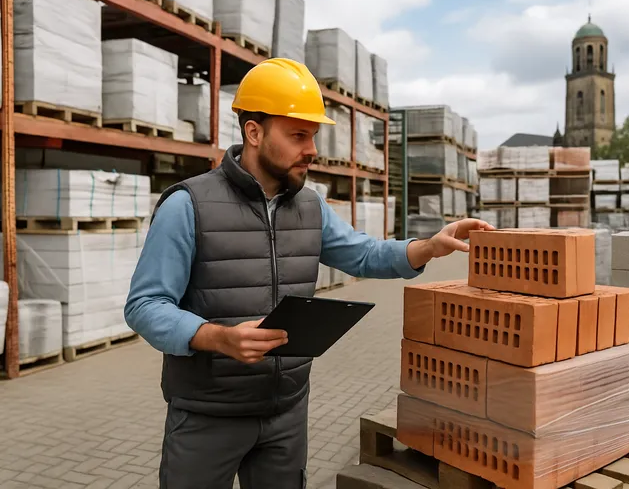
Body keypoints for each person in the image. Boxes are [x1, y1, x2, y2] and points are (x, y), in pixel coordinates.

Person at [124, 57, 494, 489]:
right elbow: (144, 305)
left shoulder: (310, 206)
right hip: (208, 415)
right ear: (254, 131)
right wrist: (216, 337)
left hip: (286, 413)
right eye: (299, 135)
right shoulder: (188, 206)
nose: (312, 149)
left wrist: (426, 247)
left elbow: (364, 255)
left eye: (313, 136)